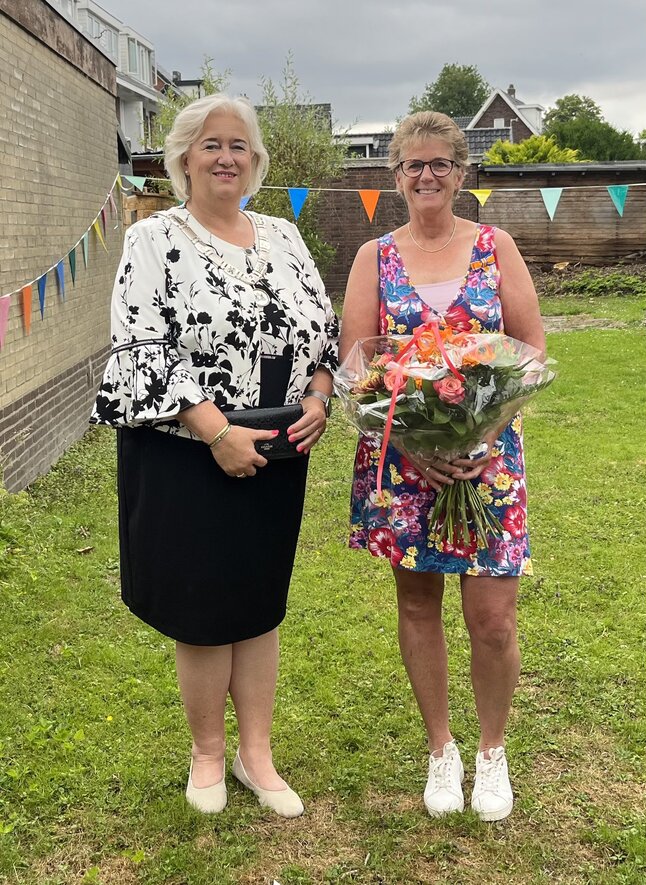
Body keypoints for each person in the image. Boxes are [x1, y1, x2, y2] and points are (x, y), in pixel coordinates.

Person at [90, 94, 338, 817]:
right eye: (210, 145)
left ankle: (255, 753)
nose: (226, 156)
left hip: (278, 449)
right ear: (184, 159)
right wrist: (214, 430)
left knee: (259, 605)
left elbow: (321, 337)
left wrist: (320, 397)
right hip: (187, 455)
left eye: (239, 145)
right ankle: (205, 753)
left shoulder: (286, 237)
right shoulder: (154, 239)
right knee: (202, 609)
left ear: (255, 161)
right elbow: (141, 346)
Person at [340, 111, 545, 822]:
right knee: (417, 603)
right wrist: (410, 445)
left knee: (492, 618)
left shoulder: (496, 247)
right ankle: (440, 749)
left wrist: (484, 429)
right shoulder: (375, 256)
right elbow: (357, 367)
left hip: (488, 460)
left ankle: (492, 751)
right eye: (411, 164)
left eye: (440, 163)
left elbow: (530, 350)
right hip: (403, 463)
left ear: (462, 173)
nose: (426, 175)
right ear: (393, 175)